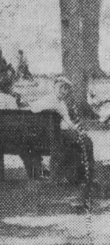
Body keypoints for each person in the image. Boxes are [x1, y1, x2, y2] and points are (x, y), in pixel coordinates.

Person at [30, 76, 95, 209]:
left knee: (83, 141)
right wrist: (52, 108)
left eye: (66, 89)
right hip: (53, 138)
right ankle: (86, 175)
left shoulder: (61, 103)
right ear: (54, 88)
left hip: (53, 136)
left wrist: (76, 129)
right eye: (61, 88)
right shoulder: (50, 100)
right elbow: (34, 108)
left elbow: (67, 122)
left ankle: (80, 175)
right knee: (85, 142)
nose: (63, 91)